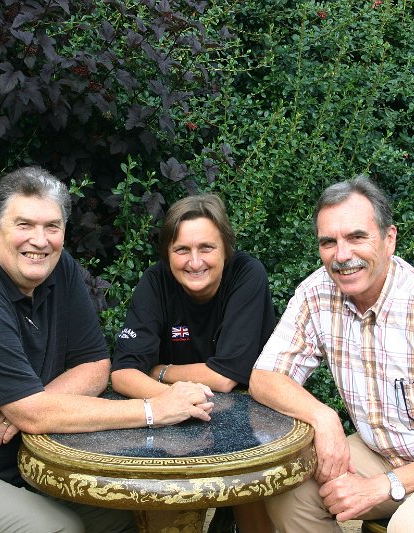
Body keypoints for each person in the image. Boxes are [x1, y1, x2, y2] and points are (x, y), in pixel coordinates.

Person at [0, 166, 215, 533]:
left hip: (19, 466)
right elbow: (35, 416)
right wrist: (154, 409)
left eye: (52, 227)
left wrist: (30, 404)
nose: (40, 240)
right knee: (57, 530)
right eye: (24, 225)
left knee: (138, 511)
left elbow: (97, 365)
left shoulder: (59, 270)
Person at [249, 176, 414, 533]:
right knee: (287, 489)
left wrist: (383, 485)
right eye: (329, 242)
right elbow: (265, 377)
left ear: (389, 239)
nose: (342, 255)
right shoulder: (317, 293)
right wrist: (323, 416)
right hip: (381, 451)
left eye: (357, 237)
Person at [111, 193, 277, 533]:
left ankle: (233, 516)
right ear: (167, 254)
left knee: (250, 493)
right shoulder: (155, 282)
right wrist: (168, 400)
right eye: (181, 250)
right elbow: (122, 373)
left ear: (226, 249)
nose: (194, 261)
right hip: (178, 421)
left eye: (206, 248)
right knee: (163, 503)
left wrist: (161, 371)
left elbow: (225, 376)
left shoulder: (247, 274)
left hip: (251, 415)